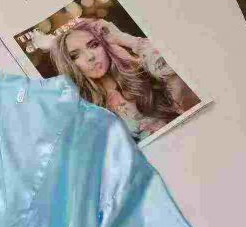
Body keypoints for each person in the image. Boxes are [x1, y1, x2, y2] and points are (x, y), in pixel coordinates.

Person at [50, 18, 200, 140]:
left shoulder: (143, 74)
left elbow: (176, 68)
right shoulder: (84, 112)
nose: (90, 57)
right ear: (69, 65)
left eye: (94, 45)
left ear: (105, 45)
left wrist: (124, 39)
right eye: (75, 55)